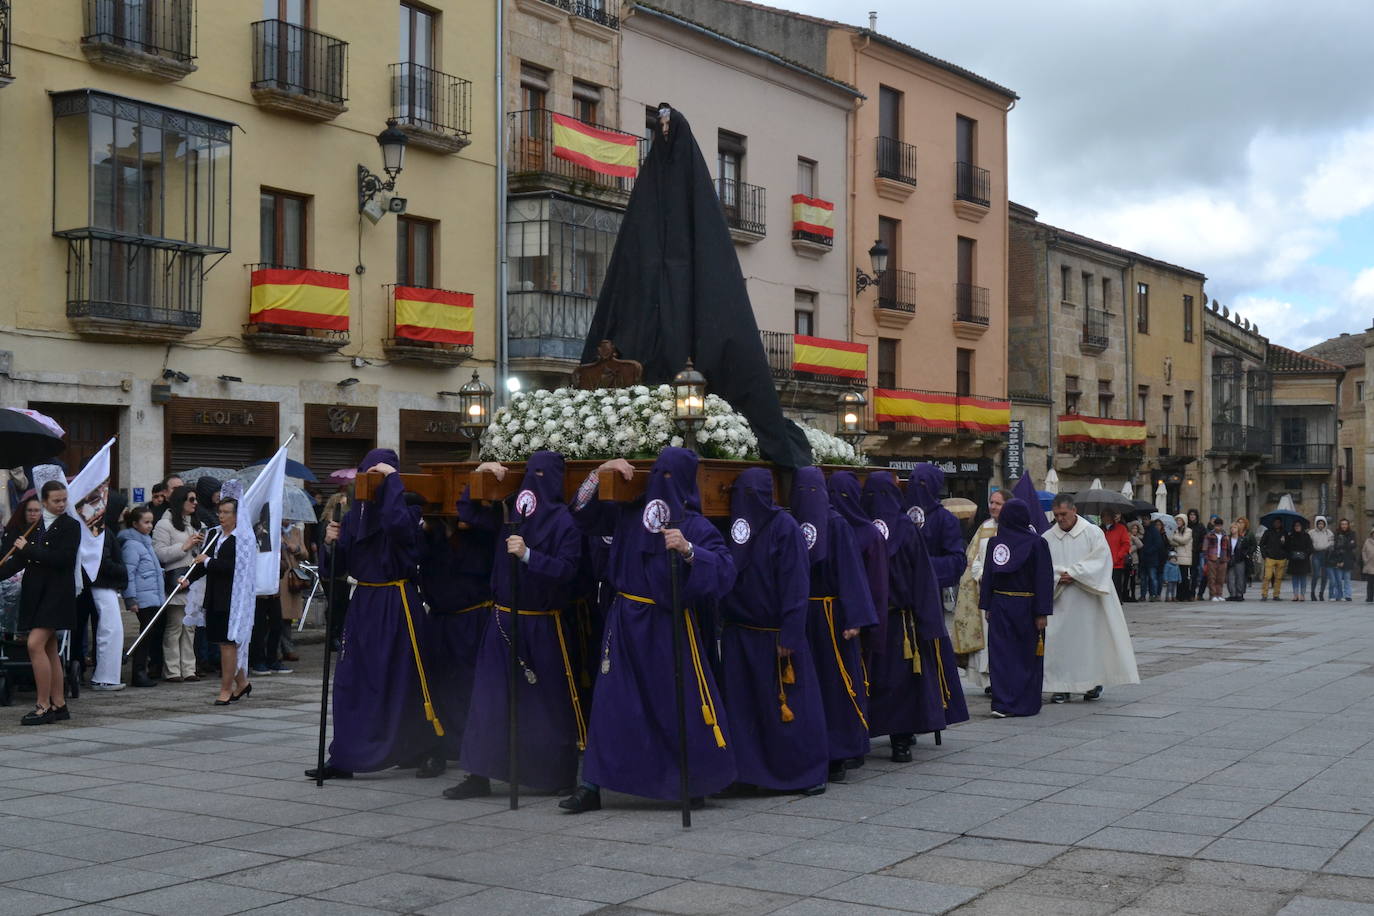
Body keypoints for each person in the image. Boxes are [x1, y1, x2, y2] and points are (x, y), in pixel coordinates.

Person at [559, 448, 738, 814]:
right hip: (625, 620)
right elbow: (581, 514)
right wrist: (599, 472)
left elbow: (725, 569)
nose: (661, 483)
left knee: (679, 703)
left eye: (670, 477)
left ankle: (691, 779)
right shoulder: (628, 513)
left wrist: (689, 551)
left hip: (669, 626)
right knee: (611, 704)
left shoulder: (696, 525)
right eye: (657, 473)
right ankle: (592, 785)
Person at [445, 453, 586, 800]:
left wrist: (528, 556)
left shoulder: (565, 522)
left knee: (545, 703)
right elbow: (470, 512)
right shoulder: (510, 511)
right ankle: (479, 773)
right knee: (489, 701)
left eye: (543, 475)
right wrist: (479, 474)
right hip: (503, 618)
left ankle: (553, 773)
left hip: (542, 624)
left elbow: (568, 571)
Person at [309, 450, 443, 780]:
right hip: (365, 602)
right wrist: (329, 544)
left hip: (397, 602)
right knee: (353, 680)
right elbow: (336, 569)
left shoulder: (408, 510)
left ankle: (425, 750)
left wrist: (393, 481)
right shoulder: (354, 517)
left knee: (406, 678)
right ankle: (345, 754)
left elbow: (399, 529)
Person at [711, 468, 825, 796]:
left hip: (776, 636)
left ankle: (803, 773)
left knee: (788, 707)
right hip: (739, 634)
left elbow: (796, 582)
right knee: (744, 708)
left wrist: (790, 632)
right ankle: (747, 773)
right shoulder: (734, 528)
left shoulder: (783, 527)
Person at [863, 471, 966, 761]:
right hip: (885, 617)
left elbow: (933, 569)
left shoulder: (907, 527)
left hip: (899, 619)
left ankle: (901, 736)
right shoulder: (887, 526)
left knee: (901, 680)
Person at [794, 467, 877, 784]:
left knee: (837, 682)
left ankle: (842, 749)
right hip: (804, 614)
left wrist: (854, 616)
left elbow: (851, 571)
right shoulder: (793, 524)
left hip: (832, 616)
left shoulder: (837, 525)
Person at [1042, 494, 1140, 703]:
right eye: (1057, 515)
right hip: (1060, 598)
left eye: (1064, 514)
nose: (1060, 519)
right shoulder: (1048, 538)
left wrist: (1075, 573)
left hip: (1088, 597)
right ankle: (1061, 686)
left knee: (1090, 641)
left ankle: (1092, 683)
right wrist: (1059, 575)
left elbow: (1102, 560)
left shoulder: (1092, 533)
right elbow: (1041, 566)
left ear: (1074, 511)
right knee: (1060, 642)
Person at [0, 481, 81, 725]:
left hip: (56, 595)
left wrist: (28, 550)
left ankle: (43, 705)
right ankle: (59, 704)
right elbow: (18, 562)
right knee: (49, 649)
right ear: (44, 501)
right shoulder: (35, 527)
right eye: (56, 500)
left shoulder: (71, 526)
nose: (61, 504)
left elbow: (62, 559)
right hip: (37, 593)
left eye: (63, 500)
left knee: (35, 645)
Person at [979, 498, 1053, 718]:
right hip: (1013, 605)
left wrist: (1041, 612)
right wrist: (987, 604)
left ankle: (1020, 702)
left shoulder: (1036, 543)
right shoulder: (996, 543)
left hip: (1019, 606)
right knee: (1002, 654)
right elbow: (989, 575)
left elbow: (1042, 578)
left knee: (1021, 655)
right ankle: (1002, 702)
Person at [180, 498, 250, 705]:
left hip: (232, 597)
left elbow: (236, 568)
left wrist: (208, 561)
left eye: (227, 512)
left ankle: (226, 689)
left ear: (237, 516)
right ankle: (243, 682)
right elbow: (202, 564)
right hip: (213, 595)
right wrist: (188, 578)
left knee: (228, 644)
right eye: (220, 511)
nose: (221, 515)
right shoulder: (215, 535)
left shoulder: (243, 539)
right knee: (222, 642)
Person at [956, 489, 1013, 692]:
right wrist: (982, 576)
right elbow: (973, 559)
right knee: (988, 639)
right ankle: (989, 680)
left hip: (1009, 592)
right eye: (991, 502)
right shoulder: (985, 528)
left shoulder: (1018, 528)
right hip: (985, 591)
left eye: (998, 503)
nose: (992, 507)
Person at [152, 486, 202, 684]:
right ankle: (172, 670)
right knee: (174, 627)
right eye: (191, 499)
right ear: (180, 500)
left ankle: (189, 669)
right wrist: (184, 546)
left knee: (190, 628)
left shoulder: (197, 523)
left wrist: (200, 546)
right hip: (176, 581)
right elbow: (159, 553)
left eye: (196, 499)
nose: (195, 503)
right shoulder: (164, 525)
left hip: (194, 582)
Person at [118, 505, 164, 691]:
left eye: (151, 522)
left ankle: (142, 670)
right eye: (146, 522)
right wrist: (131, 598)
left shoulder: (145, 542)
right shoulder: (132, 545)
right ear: (135, 524)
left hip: (152, 595)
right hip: (143, 597)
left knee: (148, 634)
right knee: (144, 636)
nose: (150, 526)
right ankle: (138, 672)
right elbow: (128, 573)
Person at [905, 464, 966, 592]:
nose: (916, 486)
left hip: (928, 594)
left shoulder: (945, 519)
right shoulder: (898, 514)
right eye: (912, 480)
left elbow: (957, 562)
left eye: (922, 482)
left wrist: (921, 564)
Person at [1101, 511, 1131, 603]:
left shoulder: (1121, 528)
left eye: (1108, 516)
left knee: (1116, 586)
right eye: (1104, 516)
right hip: (1102, 563)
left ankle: (1117, 603)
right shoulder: (1099, 529)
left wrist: (1118, 556)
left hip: (1116, 564)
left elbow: (1126, 544)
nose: (1106, 519)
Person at [1201, 515, 1230, 602]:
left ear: (1222, 526)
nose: (1218, 527)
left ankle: (1219, 594)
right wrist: (1207, 559)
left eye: (1220, 525)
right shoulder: (1209, 535)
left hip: (1222, 559)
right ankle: (1213, 595)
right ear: (1214, 525)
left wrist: (1227, 558)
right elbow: (1204, 548)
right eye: (1216, 525)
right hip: (1212, 559)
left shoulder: (1225, 536)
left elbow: (1228, 548)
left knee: (1221, 578)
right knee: (1212, 578)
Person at [1260, 518, 1288, 601]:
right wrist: (1264, 555)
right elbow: (1261, 544)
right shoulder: (1268, 532)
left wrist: (1285, 550)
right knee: (1267, 576)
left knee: (1278, 578)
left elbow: (1288, 545)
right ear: (1273, 523)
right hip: (1270, 557)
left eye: (1279, 522)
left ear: (1281, 523)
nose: (1277, 524)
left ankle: (1276, 595)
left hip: (1281, 558)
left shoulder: (1284, 533)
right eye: (1275, 522)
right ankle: (1264, 595)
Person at [1330, 518, 1357, 602]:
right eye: (1342, 524)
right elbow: (1335, 547)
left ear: (1348, 525)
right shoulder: (1336, 534)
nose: (1344, 526)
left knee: (1347, 579)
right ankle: (1339, 595)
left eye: (1345, 524)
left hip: (1348, 559)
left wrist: (1343, 545)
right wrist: (1347, 544)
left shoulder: (1352, 533)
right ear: (1340, 525)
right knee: (1338, 580)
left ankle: (1348, 595)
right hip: (1338, 558)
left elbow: (1353, 545)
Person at [1139, 520, 1167, 601]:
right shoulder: (1143, 530)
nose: (1145, 521)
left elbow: (1158, 544)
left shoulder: (1154, 531)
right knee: (1144, 579)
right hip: (1144, 558)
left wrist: (1148, 550)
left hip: (1152, 558)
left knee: (1152, 577)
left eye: (1146, 519)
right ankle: (1143, 595)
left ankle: (1153, 595)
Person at [1169, 515, 1194, 601]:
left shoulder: (1188, 531)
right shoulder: (1176, 531)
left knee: (1184, 578)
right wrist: (1178, 541)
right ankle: (1179, 596)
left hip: (1185, 557)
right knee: (1178, 578)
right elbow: (1172, 542)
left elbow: (1184, 540)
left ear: (1184, 521)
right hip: (1177, 557)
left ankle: (1186, 595)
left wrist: (1174, 536)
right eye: (1177, 520)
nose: (1178, 522)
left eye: (1180, 520)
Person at [1287, 519, 1312, 602]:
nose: (1297, 527)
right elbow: (1287, 547)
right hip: (1294, 560)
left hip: (1303, 559)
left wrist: (1304, 554)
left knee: (1303, 577)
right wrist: (1292, 554)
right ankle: (1295, 595)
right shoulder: (1291, 536)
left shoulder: (1306, 536)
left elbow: (1310, 548)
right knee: (1294, 577)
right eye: (1295, 526)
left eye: (1299, 526)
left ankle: (1302, 595)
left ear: (1302, 526)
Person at [1309, 516, 1333, 601]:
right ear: (1316, 524)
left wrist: (1327, 545)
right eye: (1319, 523)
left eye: (1322, 523)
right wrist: (1313, 547)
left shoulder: (1328, 532)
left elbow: (1332, 541)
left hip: (1325, 554)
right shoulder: (1311, 532)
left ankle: (1321, 593)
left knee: (1324, 576)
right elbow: (1309, 542)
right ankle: (1312, 593)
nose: (1320, 525)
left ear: (1324, 524)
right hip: (1316, 554)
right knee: (1315, 575)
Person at [1186, 508, 1206, 603]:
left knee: (1195, 574)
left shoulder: (1200, 526)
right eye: (1190, 515)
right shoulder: (1186, 526)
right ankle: (1186, 593)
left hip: (1196, 553)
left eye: (1194, 515)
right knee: (1186, 575)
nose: (1192, 516)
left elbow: (1204, 539)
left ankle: (1193, 594)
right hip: (1186, 553)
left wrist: (1198, 548)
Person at [1225, 523, 1248, 601]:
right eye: (1231, 527)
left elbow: (1246, 549)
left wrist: (1243, 555)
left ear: (1238, 529)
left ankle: (1239, 594)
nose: (1232, 529)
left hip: (1239, 560)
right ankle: (1232, 594)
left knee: (1240, 577)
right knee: (1230, 577)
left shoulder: (1242, 539)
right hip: (1230, 560)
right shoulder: (1227, 538)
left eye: (1234, 527)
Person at [1236, 516, 1258, 588]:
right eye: (1238, 522)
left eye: (1242, 523)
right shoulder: (1235, 532)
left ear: (1245, 524)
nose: (1240, 524)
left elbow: (1254, 544)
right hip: (1238, 555)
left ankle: (1246, 582)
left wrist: (1250, 552)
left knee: (1247, 570)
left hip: (1247, 555)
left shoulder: (1250, 533)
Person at [1125, 521, 1144, 602]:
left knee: (1133, 579)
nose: (1135, 530)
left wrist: (1133, 538)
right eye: (1133, 528)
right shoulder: (1127, 536)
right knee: (1127, 579)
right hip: (1128, 561)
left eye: (1136, 528)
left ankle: (1133, 595)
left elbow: (1140, 545)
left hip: (1135, 560)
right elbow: (1127, 547)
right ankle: (1126, 594)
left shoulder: (1136, 537)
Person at [1363, 526, 1374, 603]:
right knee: (1370, 582)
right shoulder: (1367, 541)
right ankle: (1369, 597)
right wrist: (1365, 559)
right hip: (1370, 564)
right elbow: (1363, 551)